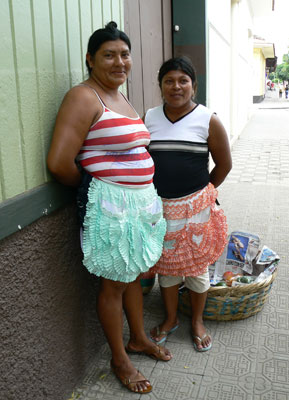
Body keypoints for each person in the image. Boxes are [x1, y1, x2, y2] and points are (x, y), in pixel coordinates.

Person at [47, 21, 172, 394]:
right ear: (90, 59)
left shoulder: (120, 95)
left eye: (124, 54)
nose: (120, 62)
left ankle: (138, 339)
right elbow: (59, 163)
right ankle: (120, 358)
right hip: (111, 209)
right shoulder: (85, 97)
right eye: (109, 55)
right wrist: (98, 188)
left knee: (131, 274)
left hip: (137, 206)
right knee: (113, 284)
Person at [144, 57, 232, 352]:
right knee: (167, 268)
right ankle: (170, 320)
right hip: (161, 210)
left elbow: (224, 165)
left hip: (196, 211)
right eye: (169, 81)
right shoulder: (149, 118)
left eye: (183, 80)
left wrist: (202, 195)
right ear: (161, 86)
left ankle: (196, 321)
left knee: (196, 269)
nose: (176, 86)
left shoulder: (208, 119)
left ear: (194, 85)